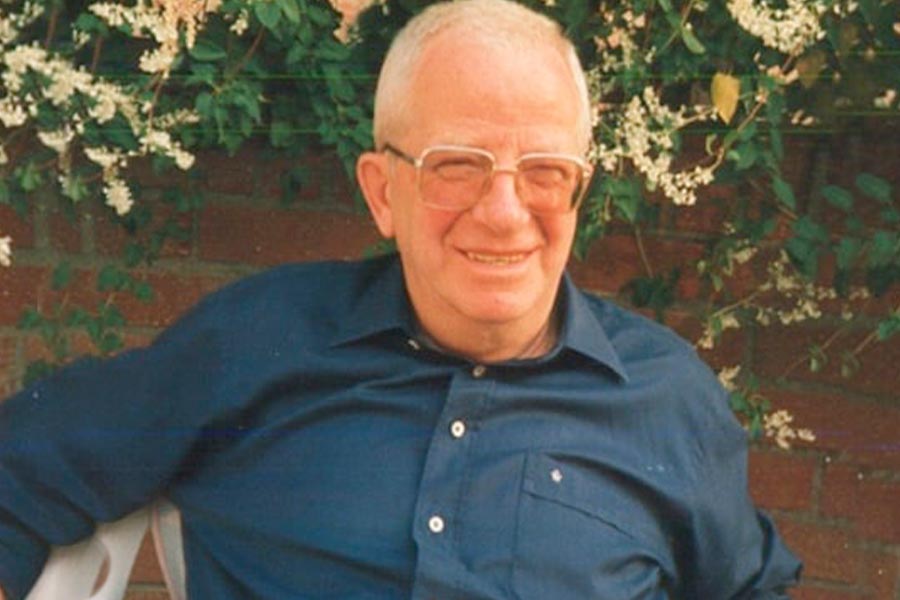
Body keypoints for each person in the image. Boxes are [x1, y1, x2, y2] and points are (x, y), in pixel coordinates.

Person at [0, 0, 802, 598]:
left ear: (578, 193)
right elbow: (21, 465)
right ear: (383, 192)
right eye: (458, 165)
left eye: (544, 172)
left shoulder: (667, 401)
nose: (504, 212)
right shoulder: (257, 344)